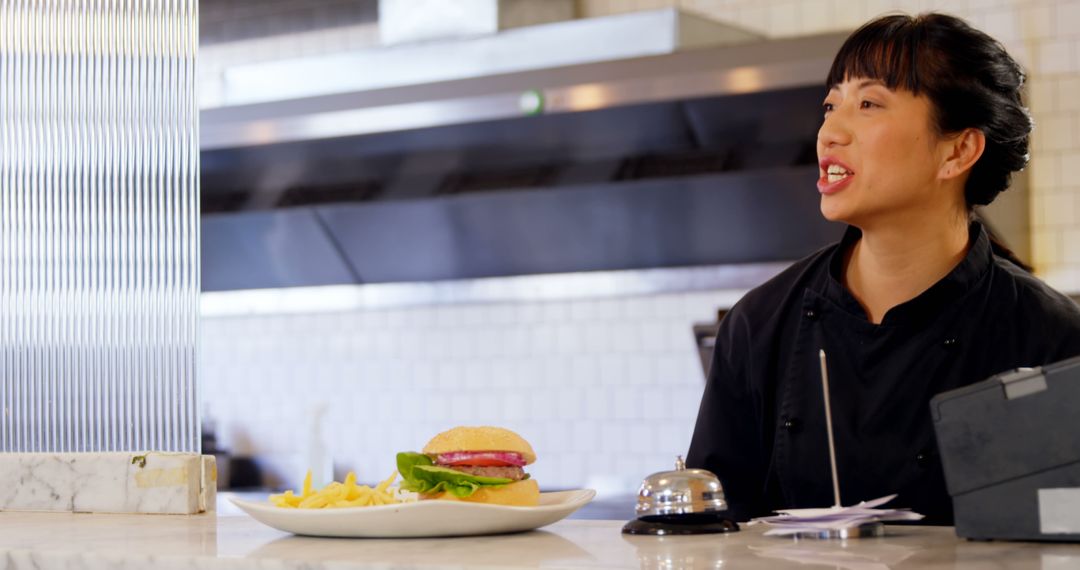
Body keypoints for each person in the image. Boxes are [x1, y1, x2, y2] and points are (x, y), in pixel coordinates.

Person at [686, 12, 1080, 525]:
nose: (830, 131)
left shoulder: (1049, 338)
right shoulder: (759, 325)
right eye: (831, 105)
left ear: (958, 150)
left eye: (869, 104)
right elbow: (712, 535)